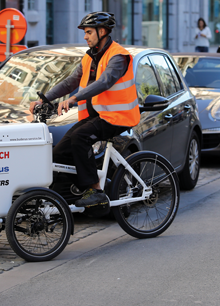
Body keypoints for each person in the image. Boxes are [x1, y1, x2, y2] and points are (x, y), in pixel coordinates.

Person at [29, 12, 140, 209]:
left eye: (89, 32)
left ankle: (95, 191)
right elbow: (70, 81)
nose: (85, 37)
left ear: (103, 31)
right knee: (60, 152)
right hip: (98, 116)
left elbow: (104, 82)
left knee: (80, 136)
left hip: (118, 117)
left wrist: (74, 99)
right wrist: (44, 99)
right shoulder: (90, 58)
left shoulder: (118, 56)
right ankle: (63, 196)